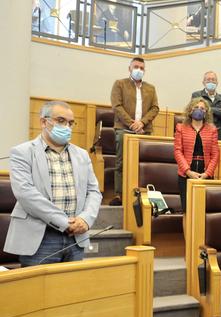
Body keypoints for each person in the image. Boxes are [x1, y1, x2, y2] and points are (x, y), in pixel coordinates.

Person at [4, 101, 102, 266]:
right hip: (40, 238)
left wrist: (85, 220)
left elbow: (93, 191)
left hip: (76, 238)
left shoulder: (82, 155)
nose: (67, 127)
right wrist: (65, 223)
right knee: (35, 291)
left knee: (70, 290)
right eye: (61, 121)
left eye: (70, 123)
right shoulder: (22, 152)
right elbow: (25, 193)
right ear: (43, 122)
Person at [110, 57, 159, 205]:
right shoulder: (120, 84)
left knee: (144, 165)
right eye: (136, 67)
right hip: (124, 129)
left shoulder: (151, 88)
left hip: (144, 131)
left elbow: (155, 108)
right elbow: (116, 106)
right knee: (121, 163)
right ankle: (119, 194)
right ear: (129, 68)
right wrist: (132, 124)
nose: (139, 70)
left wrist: (142, 123)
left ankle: (142, 195)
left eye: (141, 68)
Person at [174, 98, 220, 214]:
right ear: (190, 110)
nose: (199, 110)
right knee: (187, 210)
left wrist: (207, 174)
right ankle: (187, 233)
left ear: (206, 112)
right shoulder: (181, 127)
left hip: (205, 174)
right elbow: (178, 151)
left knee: (203, 210)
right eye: (196, 108)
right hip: (186, 174)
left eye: (202, 108)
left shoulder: (212, 130)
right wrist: (188, 172)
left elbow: (215, 154)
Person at [191, 71, 221, 140]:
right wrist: (219, 111)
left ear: (217, 82)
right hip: (202, 131)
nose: (211, 82)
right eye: (208, 79)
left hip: (220, 134)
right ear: (203, 82)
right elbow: (197, 113)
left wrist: (207, 108)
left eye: (213, 80)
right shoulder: (197, 95)